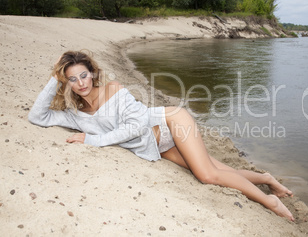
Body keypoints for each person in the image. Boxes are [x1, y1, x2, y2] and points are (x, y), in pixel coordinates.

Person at [28, 50, 294, 221]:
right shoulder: (75, 114)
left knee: (207, 175)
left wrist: (92, 139)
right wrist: (56, 77)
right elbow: (37, 117)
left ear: (93, 73)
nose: (81, 83)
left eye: (83, 75)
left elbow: (134, 126)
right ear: (67, 84)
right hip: (156, 145)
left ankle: (269, 201)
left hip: (169, 122)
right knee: (214, 167)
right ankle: (266, 179)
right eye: (72, 80)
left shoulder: (113, 89)